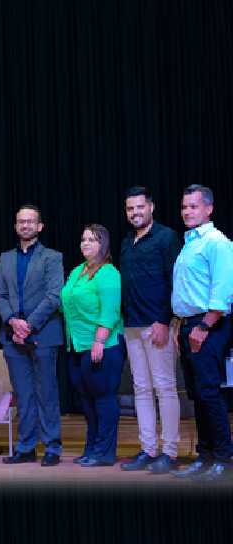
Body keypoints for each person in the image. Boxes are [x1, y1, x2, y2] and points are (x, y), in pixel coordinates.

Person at [169, 185, 233, 482]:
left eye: (193, 206)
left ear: (209, 209)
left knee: (209, 392)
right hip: (189, 324)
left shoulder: (216, 242)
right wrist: (180, 326)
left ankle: (223, 458)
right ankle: (205, 455)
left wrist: (204, 326)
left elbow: (223, 290)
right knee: (198, 395)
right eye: (184, 206)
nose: (187, 211)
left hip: (208, 324)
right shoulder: (190, 243)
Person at [118, 187, 182, 474]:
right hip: (132, 326)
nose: (135, 213)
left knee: (165, 388)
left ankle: (169, 452)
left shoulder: (167, 237)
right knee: (141, 390)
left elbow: (174, 281)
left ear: (151, 207)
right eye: (130, 209)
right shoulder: (126, 242)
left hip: (157, 325)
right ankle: (148, 449)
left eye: (140, 207)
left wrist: (163, 320)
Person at [0, 205, 64, 467]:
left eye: (30, 222)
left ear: (40, 226)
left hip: (43, 334)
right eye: (20, 221)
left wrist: (29, 325)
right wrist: (13, 322)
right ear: (16, 226)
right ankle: (25, 447)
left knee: (46, 392)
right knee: (23, 395)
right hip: (13, 336)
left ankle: (52, 447)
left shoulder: (52, 257)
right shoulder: (5, 258)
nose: (25, 226)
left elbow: (54, 295)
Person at [61, 224, 125, 467]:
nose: (86, 243)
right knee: (87, 401)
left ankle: (105, 452)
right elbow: (66, 303)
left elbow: (110, 310)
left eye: (92, 240)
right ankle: (92, 448)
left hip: (103, 345)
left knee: (103, 399)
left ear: (103, 244)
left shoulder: (108, 273)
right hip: (77, 346)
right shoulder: (78, 271)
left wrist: (99, 340)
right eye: (83, 239)